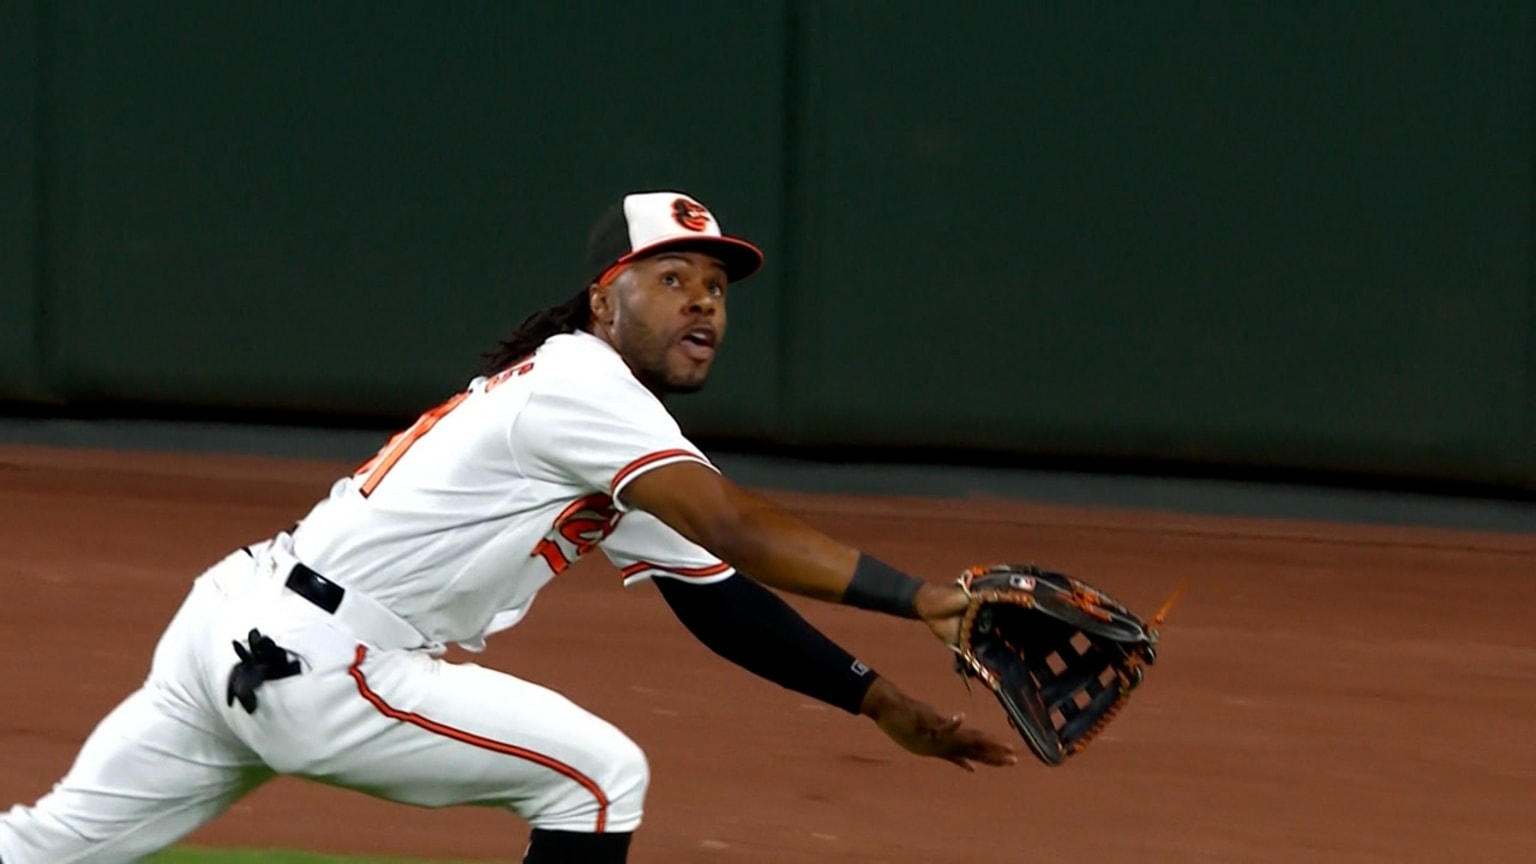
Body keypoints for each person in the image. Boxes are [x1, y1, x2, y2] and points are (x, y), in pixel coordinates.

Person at [0, 191, 1015, 864]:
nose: (703, 301)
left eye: (715, 287)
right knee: (600, 779)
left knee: (47, 847)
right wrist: (918, 598)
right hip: (329, 661)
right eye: (672, 279)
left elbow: (718, 594)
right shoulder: (584, 381)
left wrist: (875, 700)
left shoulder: (586, 407)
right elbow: (734, 522)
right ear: (604, 299)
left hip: (237, 623)